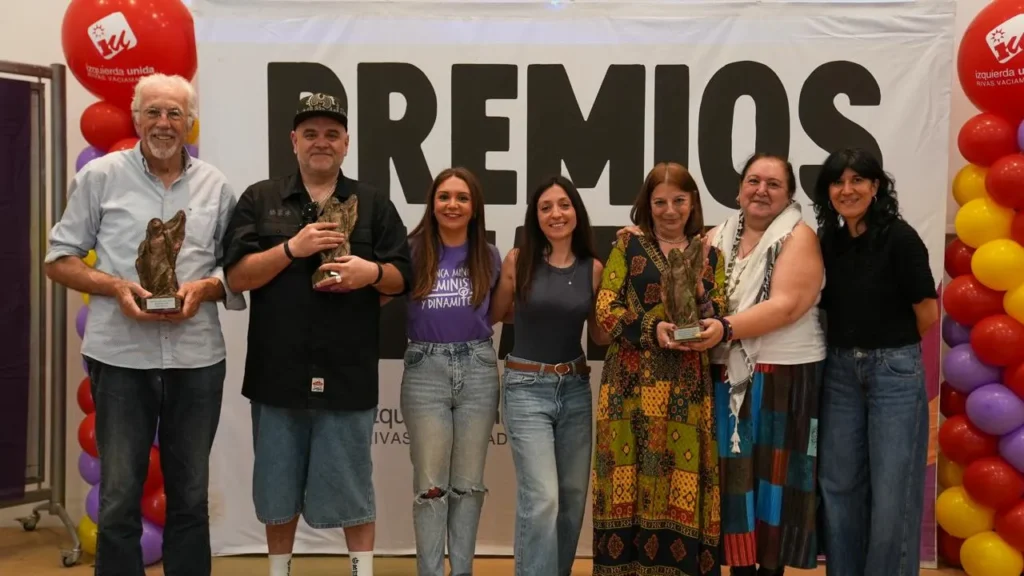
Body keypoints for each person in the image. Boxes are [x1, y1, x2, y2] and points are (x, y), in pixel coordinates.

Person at [44, 73, 245, 576]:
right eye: (153, 112)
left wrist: (204, 288)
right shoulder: (101, 177)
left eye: (175, 113)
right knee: (117, 498)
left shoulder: (216, 186)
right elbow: (58, 258)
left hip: (197, 359)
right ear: (136, 119)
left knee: (190, 496)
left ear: (190, 123)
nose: (163, 123)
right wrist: (115, 287)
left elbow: (235, 269)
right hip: (120, 356)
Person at [221, 92, 413, 576]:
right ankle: (278, 572)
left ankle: (361, 572)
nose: (321, 143)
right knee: (276, 486)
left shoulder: (371, 203)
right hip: (276, 372)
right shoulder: (259, 199)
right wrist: (291, 248)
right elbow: (237, 277)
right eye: (310, 134)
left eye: (331, 134)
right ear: (293, 141)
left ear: (346, 142)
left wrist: (369, 274)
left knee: (352, 487)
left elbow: (403, 278)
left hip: (347, 371)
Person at [592, 162, 726, 576]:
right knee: (624, 480)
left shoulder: (711, 254)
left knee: (681, 481)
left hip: (686, 388)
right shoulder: (626, 248)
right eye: (660, 201)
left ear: (692, 203)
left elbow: (720, 310)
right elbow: (605, 308)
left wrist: (707, 310)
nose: (670, 210)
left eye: (679, 201)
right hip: (628, 385)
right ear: (647, 205)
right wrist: (652, 329)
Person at [698, 154, 826, 576]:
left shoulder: (799, 237)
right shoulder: (716, 236)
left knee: (774, 488)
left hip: (783, 376)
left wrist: (723, 327)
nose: (761, 190)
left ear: (789, 194)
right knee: (733, 487)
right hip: (725, 373)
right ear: (739, 189)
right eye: (754, 181)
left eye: (773, 184)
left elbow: (786, 306)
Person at [813, 148, 938, 576]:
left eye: (857, 181)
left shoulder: (900, 238)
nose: (847, 190)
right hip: (840, 371)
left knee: (893, 492)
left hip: (894, 372)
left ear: (875, 187)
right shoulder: (827, 241)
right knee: (838, 485)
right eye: (837, 182)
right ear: (828, 191)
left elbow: (927, 311)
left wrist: (889, 351)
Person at [489, 175, 606, 576]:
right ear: (535, 217)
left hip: (575, 387)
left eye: (564, 205)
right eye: (545, 207)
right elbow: (498, 313)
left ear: (576, 212)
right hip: (525, 387)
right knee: (543, 499)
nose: (556, 213)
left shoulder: (594, 269)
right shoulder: (517, 261)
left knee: (572, 498)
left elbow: (603, 333)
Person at [401, 167, 502, 576]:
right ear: (432, 203)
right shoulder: (411, 250)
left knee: (468, 487)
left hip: (477, 368)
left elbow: (494, 314)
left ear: (475, 207)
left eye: (462, 197)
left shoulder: (489, 255)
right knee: (430, 488)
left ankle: (462, 571)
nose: (452, 204)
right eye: (444, 197)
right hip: (425, 369)